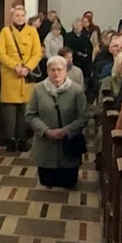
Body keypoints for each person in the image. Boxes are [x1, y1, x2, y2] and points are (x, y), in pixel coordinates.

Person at [25, 56, 89, 189]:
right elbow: (30, 115)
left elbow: (83, 117)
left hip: (69, 146)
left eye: (59, 69)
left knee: (69, 183)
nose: (56, 73)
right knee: (47, 184)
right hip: (45, 146)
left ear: (65, 71)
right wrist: (46, 131)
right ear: (47, 71)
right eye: (52, 70)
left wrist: (65, 131)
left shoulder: (76, 91)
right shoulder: (38, 89)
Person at [0, 5, 42, 152]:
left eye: (22, 15)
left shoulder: (32, 31)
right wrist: (15, 66)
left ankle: (22, 139)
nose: (20, 18)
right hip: (10, 74)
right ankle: (10, 139)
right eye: (17, 15)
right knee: (9, 110)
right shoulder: (5, 32)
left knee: (25, 109)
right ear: (12, 17)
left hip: (26, 76)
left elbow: (37, 53)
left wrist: (27, 67)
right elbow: (1, 53)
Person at [63, 17, 93, 81]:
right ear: (74, 26)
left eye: (81, 25)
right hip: (74, 60)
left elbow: (89, 47)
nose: (80, 27)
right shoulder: (68, 36)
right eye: (78, 25)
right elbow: (67, 47)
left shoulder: (85, 36)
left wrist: (87, 53)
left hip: (85, 62)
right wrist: (76, 53)